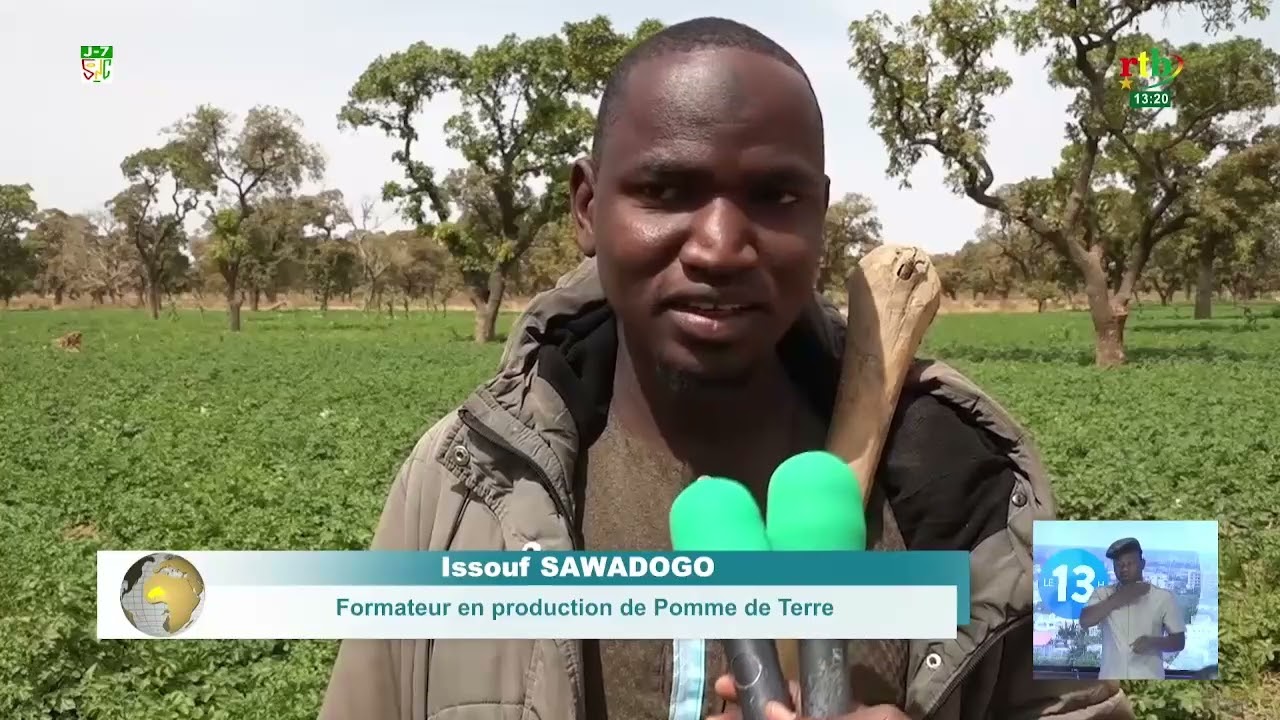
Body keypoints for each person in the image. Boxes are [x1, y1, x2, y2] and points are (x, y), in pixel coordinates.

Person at [319, 17, 1133, 720]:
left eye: (775, 196)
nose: (719, 247)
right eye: (668, 188)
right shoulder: (457, 476)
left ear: (820, 210)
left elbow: (1130, 662)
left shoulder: (986, 464)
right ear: (587, 208)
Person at [1080, 538, 1186, 681]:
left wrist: (1152, 642)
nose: (1124, 569)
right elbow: (1085, 620)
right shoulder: (1102, 594)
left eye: (1130, 563)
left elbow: (1179, 642)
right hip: (1110, 680)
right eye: (1119, 565)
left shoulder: (1163, 598)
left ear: (1142, 564)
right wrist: (1121, 596)